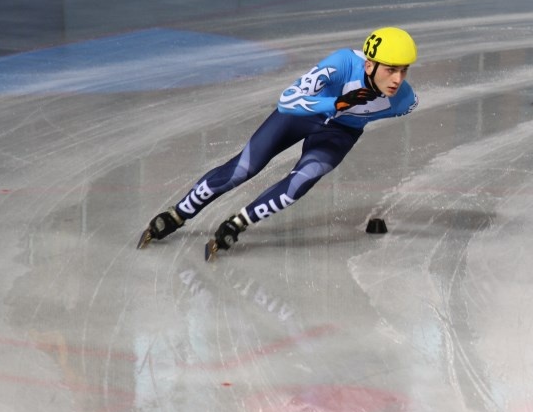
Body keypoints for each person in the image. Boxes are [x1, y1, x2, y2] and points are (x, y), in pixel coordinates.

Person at [137, 27, 419, 259]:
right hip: (303, 115)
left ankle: (238, 223)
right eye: (390, 70)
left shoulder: (404, 101)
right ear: (369, 64)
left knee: (302, 180)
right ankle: (179, 214)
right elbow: (287, 100)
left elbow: (387, 108)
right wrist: (337, 102)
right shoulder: (342, 64)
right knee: (244, 168)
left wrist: (344, 117)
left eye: (403, 71)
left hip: (340, 132)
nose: (397, 79)